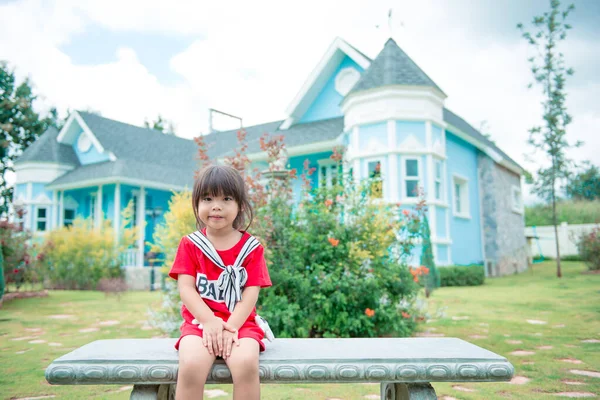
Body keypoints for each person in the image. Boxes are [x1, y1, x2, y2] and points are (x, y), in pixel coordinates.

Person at [169, 165, 272, 400]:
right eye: (207, 198)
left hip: (241, 324)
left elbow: (250, 294)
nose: (216, 205)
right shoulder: (191, 244)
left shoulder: (251, 249)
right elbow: (186, 288)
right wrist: (209, 321)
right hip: (199, 322)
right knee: (192, 364)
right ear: (197, 204)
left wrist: (230, 327)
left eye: (226, 198)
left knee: (246, 363)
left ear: (240, 206)